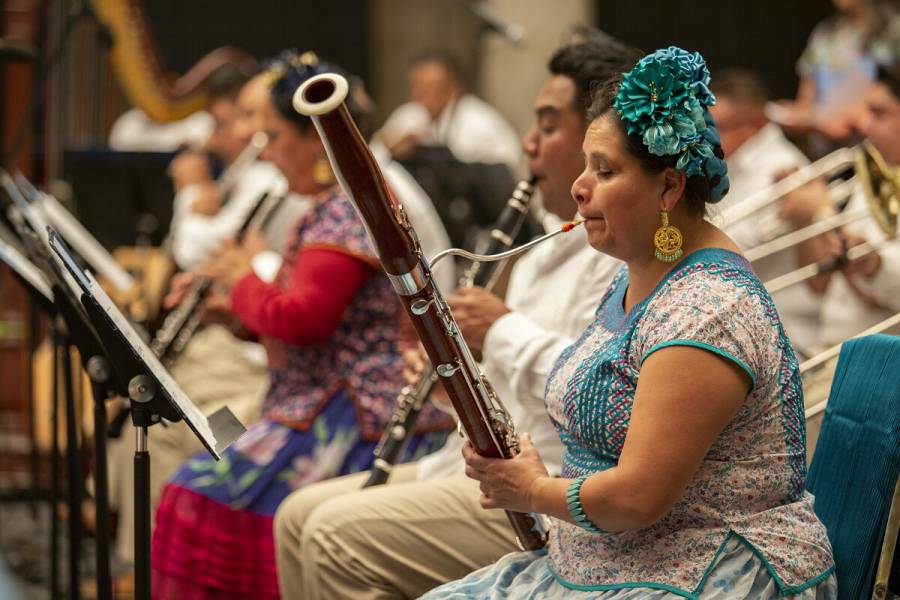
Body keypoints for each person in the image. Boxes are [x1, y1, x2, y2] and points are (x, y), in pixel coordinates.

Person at [423, 46, 836, 599]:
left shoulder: (709, 311)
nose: (578, 187)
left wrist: (533, 489)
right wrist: (527, 462)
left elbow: (638, 497)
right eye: (586, 166)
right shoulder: (635, 273)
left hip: (707, 571)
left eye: (605, 170)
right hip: (615, 555)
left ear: (669, 187)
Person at [272, 37, 641, 600]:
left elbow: (596, 393)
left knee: (329, 535)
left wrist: (500, 329)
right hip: (476, 462)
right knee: (295, 516)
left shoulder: (619, 259)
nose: (528, 143)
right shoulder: (546, 243)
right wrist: (451, 380)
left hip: (552, 478)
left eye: (548, 126)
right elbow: (510, 387)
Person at [148, 58, 453, 600]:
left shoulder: (347, 210)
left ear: (314, 141)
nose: (263, 153)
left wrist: (241, 279)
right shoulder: (328, 204)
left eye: (272, 136)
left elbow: (305, 320)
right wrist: (234, 317)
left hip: (354, 415)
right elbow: (305, 320)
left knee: (193, 494)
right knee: (192, 480)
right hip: (317, 400)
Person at [708, 69, 822, 357]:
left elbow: (737, 253)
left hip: (783, 335)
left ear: (754, 124)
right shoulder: (729, 162)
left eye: (717, 126)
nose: (706, 138)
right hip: (739, 323)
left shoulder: (784, 168)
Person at [772, 0, 899, 156]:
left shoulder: (892, 30)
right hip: (827, 153)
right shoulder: (824, 34)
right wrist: (798, 117)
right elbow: (805, 103)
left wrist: (850, 119)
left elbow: (887, 96)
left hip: (876, 149)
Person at [375, 51, 520, 169]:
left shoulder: (480, 122)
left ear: (454, 88)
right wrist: (391, 148)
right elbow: (376, 153)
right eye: (416, 87)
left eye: (431, 88)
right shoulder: (409, 114)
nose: (421, 95)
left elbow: (507, 168)